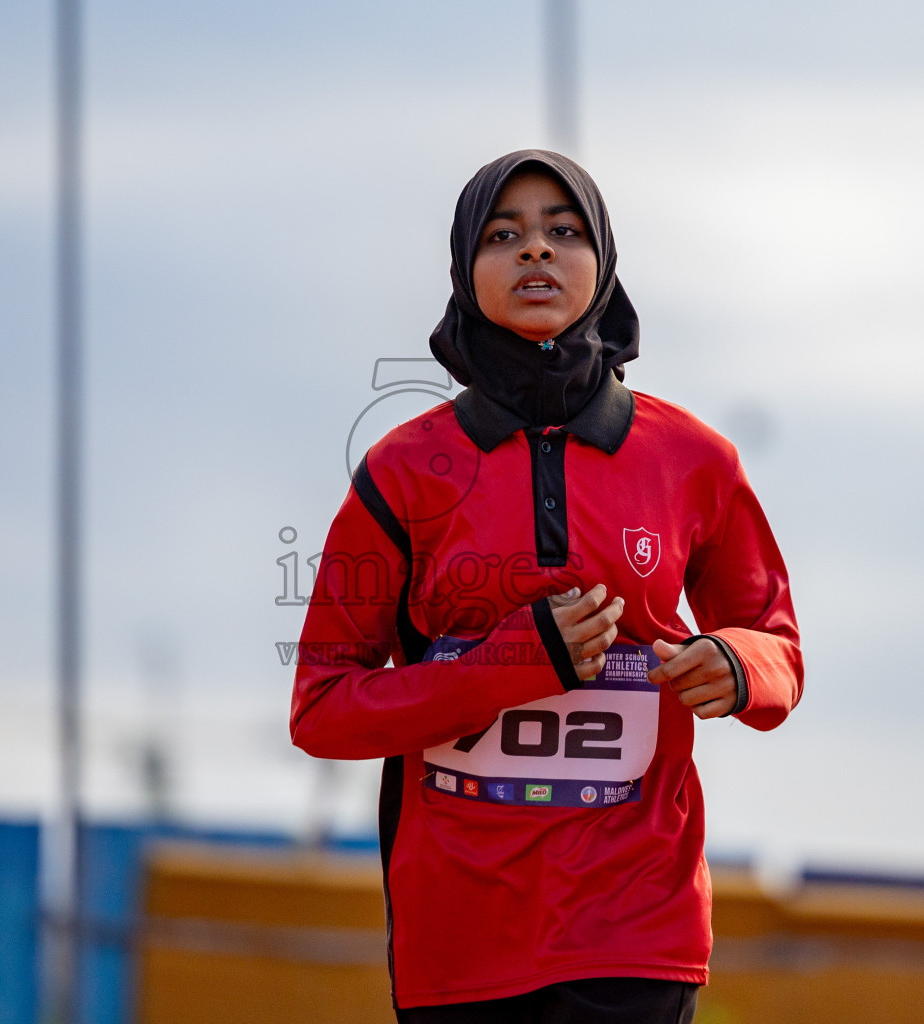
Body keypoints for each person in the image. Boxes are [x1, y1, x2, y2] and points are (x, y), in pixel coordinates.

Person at [290, 150, 802, 1023]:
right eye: (505, 235)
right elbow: (324, 710)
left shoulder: (695, 461)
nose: (537, 252)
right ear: (464, 268)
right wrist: (519, 660)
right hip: (460, 941)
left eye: (563, 232)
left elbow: (775, 645)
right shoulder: (402, 473)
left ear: (601, 262)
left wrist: (737, 663)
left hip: (638, 926)